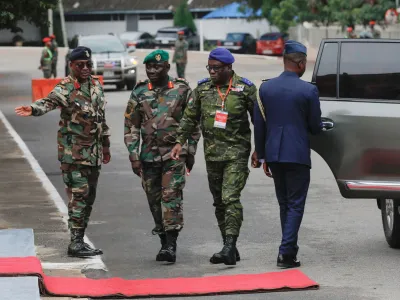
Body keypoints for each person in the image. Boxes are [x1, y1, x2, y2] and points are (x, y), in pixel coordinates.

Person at [15, 46, 111, 258]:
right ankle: (75, 243)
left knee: (89, 198)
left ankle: (80, 239)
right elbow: (48, 101)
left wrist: (106, 145)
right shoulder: (66, 87)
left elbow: (100, 118)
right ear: (71, 66)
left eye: (88, 64)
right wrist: (33, 109)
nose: (85, 68)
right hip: (74, 154)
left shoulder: (95, 85)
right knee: (79, 196)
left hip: (93, 154)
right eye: (80, 65)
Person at [171, 48, 257, 266]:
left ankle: (229, 245)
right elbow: (190, 118)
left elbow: (260, 122)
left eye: (216, 68)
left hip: (236, 154)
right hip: (212, 155)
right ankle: (230, 246)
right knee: (219, 202)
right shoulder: (202, 89)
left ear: (229, 68)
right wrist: (179, 142)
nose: (212, 72)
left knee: (230, 198)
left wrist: (261, 150)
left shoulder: (245, 89)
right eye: (209, 67)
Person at [124, 49, 200, 263]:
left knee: (171, 197)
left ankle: (170, 244)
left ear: (167, 67)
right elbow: (131, 125)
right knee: (154, 200)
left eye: (157, 67)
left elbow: (193, 122)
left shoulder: (182, 89)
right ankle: (163, 239)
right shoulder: (139, 92)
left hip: (174, 156)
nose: (152, 70)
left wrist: (190, 150)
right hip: (147, 156)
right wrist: (133, 154)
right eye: (148, 67)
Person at [253, 40, 322, 268]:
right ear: (301, 63)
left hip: (274, 154)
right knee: (295, 204)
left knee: (285, 203)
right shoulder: (309, 90)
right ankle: (285, 253)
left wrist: (261, 155)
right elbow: (314, 126)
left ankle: (289, 249)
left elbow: (259, 124)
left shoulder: (265, 88)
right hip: (297, 154)